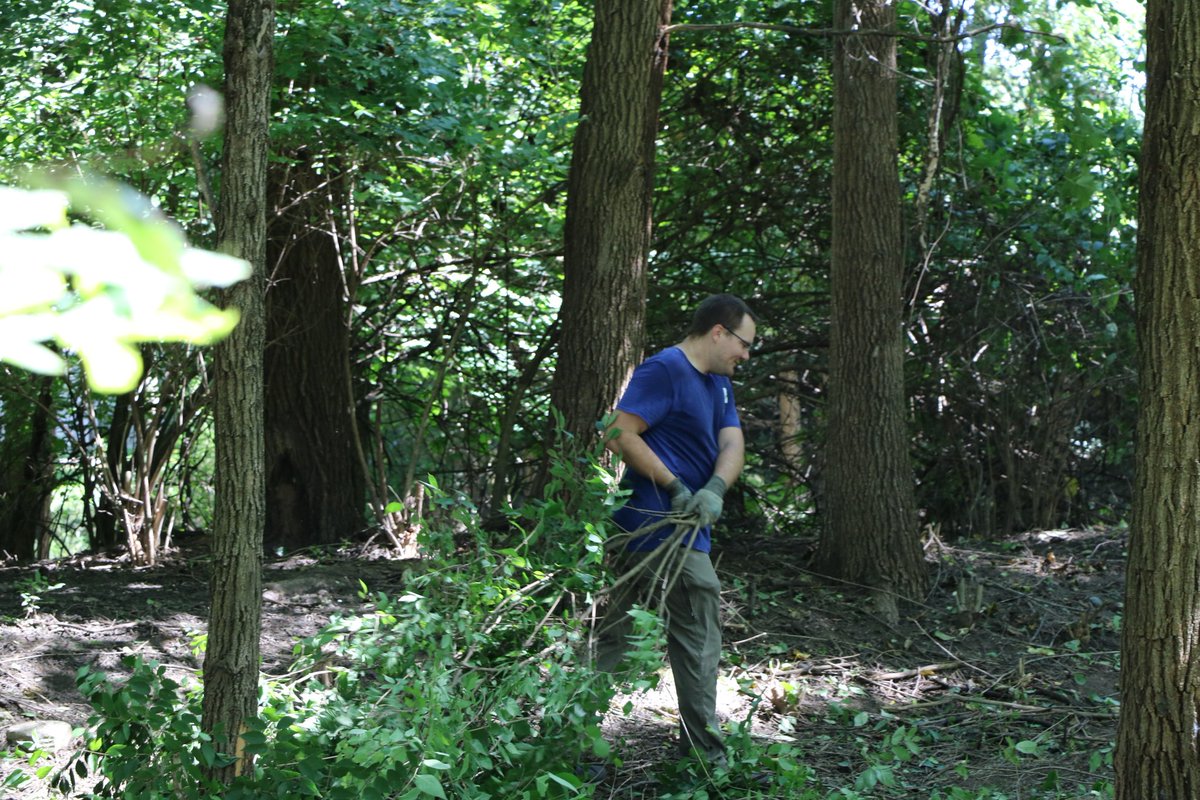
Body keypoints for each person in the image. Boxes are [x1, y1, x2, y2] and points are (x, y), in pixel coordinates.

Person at [595, 293, 755, 768]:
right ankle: (705, 757)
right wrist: (675, 486)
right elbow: (619, 431)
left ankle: (566, 738)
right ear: (719, 332)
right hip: (653, 524)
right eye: (743, 344)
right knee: (698, 623)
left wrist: (715, 489)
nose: (745, 356)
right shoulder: (665, 369)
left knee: (618, 635)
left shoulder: (717, 383)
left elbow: (733, 441)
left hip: (686, 526)